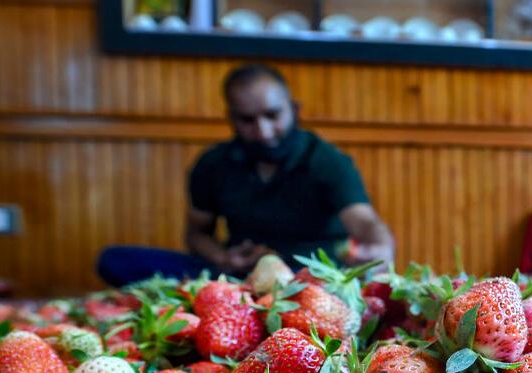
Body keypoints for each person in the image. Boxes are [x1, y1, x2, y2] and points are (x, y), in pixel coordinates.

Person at [97, 63, 395, 287]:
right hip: (236, 277)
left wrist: (380, 246)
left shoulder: (327, 160)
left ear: (294, 110)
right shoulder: (213, 164)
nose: (263, 131)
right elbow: (197, 234)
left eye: (272, 116)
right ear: (231, 118)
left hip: (309, 280)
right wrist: (223, 257)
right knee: (115, 260)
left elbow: (365, 222)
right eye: (248, 120)